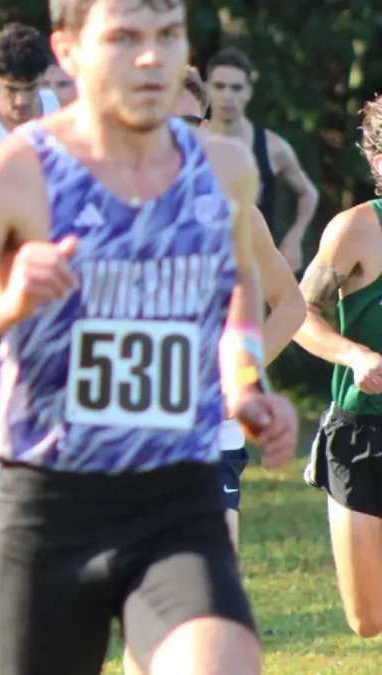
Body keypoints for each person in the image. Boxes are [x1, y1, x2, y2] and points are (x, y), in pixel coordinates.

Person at [0, 2, 299, 673]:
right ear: (68, 51)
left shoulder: (224, 170)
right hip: (52, 503)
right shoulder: (16, 172)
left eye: (167, 36)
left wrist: (246, 383)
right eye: (124, 37)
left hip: (177, 497)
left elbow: (244, 292)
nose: (150, 57)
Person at [177, 65, 305, 551]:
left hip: (212, 430)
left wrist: (243, 380)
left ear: (204, 129)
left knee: (216, 579)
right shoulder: (100, 206)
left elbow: (290, 304)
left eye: (187, 124)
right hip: (126, 438)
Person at [293, 93, 382, 639]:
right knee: (367, 618)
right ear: (377, 161)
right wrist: (355, 355)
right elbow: (298, 313)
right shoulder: (354, 230)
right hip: (359, 433)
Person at [205, 46, 320, 271]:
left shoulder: (271, 147)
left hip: (257, 270)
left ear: (248, 92)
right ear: (207, 88)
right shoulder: (190, 144)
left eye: (236, 88)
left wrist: (295, 237)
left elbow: (308, 192)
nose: (227, 96)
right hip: (203, 265)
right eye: (219, 86)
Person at [0, 22, 61, 139]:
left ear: (44, 75)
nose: (21, 101)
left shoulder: (59, 109)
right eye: (11, 89)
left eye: (30, 88)